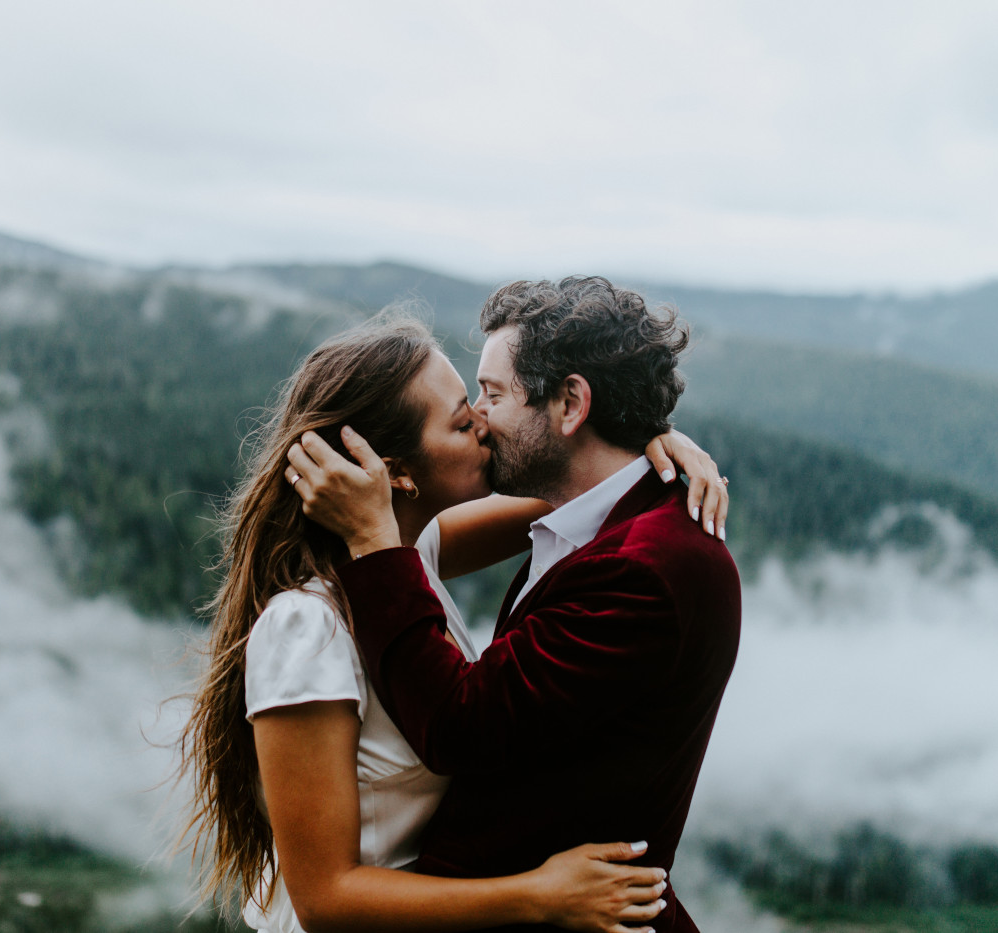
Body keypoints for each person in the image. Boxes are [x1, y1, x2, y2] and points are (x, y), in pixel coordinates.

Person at [177, 311, 729, 933]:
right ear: (398, 474)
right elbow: (325, 901)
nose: (485, 426)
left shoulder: (408, 554)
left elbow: (577, 489)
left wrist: (647, 444)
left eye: (483, 400)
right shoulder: (306, 627)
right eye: (464, 420)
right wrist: (538, 894)